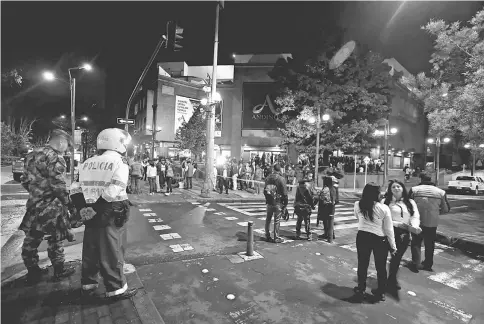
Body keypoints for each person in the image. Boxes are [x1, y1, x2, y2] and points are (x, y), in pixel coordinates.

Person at [70, 128, 138, 300]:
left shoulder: (86, 162)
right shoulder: (119, 163)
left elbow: (75, 189)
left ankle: (88, 283)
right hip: (110, 212)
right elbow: (114, 189)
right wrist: (97, 209)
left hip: (88, 210)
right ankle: (116, 289)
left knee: (90, 249)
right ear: (118, 143)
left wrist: (83, 210)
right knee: (112, 251)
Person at [19, 129, 76, 284]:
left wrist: (37, 193)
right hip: (52, 206)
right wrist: (68, 203)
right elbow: (58, 185)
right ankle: (59, 270)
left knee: (32, 238)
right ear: (61, 142)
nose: (67, 150)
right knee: (56, 238)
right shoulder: (55, 157)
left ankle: (32, 270)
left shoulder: (31, 154)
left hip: (34, 203)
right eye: (67, 146)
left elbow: (24, 179)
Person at [353, 183, 396, 301]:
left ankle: (361, 288)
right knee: (380, 267)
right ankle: (380, 292)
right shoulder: (383, 208)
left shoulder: (358, 204)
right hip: (379, 239)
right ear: (377, 194)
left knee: (362, 264)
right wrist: (393, 246)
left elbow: (357, 217)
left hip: (362, 236)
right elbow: (388, 229)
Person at [383, 180, 421, 291]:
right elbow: (382, 218)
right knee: (382, 257)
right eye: (393, 187)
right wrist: (398, 224)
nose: (396, 188)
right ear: (390, 189)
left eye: (398, 186)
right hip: (387, 232)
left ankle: (392, 279)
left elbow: (415, 216)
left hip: (403, 234)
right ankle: (383, 280)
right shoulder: (385, 202)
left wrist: (414, 226)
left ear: (403, 188)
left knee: (396, 258)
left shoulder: (410, 202)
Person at [408, 172, 450, 272]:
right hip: (432, 223)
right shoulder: (441, 192)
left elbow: (408, 205)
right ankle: (428, 264)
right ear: (431, 180)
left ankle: (416, 263)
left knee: (416, 242)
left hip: (417, 222)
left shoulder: (414, 190)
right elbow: (446, 209)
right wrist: (435, 211)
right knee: (430, 244)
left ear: (421, 180)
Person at [263, 164, 288, 243]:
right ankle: (276, 237)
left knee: (268, 219)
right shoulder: (281, 179)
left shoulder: (267, 178)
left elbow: (265, 190)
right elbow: (284, 193)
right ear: (280, 170)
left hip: (269, 201)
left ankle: (267, 235)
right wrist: (285, 204)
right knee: (277, 220)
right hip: (278, 202)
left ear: (273, 169)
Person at [317, 176, 339, 241]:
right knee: (330, 222)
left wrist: (318, 194)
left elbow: (321, 198)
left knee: (326, 221)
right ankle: (331, 235)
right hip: (332, 207)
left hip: (325, 207)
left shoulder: (326, 189)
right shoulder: (334, 188)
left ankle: (328, 235)